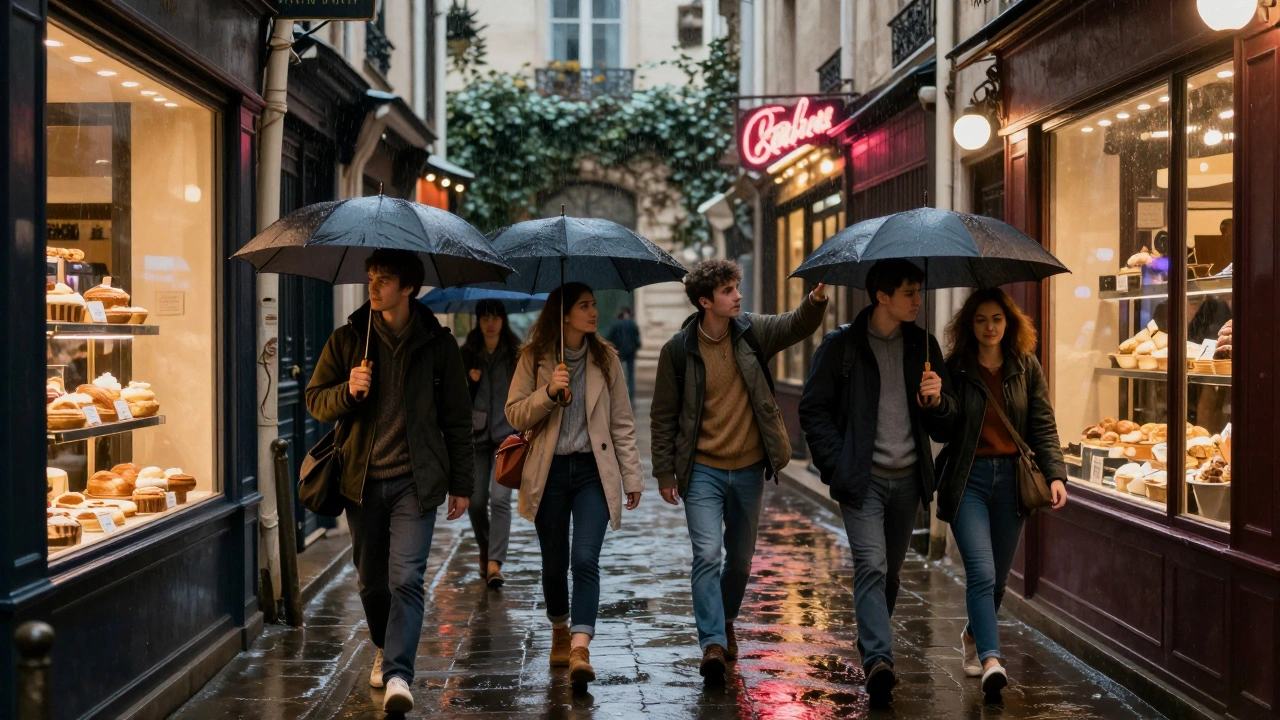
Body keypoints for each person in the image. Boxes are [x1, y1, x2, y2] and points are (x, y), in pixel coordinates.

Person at [305, 249, 473, 714]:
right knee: (372, 585)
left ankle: (399, 673)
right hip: (361, 483)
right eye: (371, 278)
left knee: (407, 579)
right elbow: (315, 400)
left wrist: (462, 483)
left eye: (384, 280)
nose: (373, 287)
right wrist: (348, 391)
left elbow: (457, 420)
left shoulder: (438, 345)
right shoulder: (348, 340)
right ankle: (384, 643)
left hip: (415, 483)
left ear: (408, 288)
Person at [650, 258, 828, 683]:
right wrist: (664, 473)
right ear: (705, 301)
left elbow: (794, 325)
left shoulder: (751, 332)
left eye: (736, 288)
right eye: (728, 291)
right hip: (702, 470)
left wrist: (816, 299)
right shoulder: (678, 351)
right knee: (707, 555)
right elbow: (663, 416)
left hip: (748, 468)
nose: (738, 296)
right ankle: (712, 642)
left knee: (742, 562)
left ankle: (725, 617)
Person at [798, 259, 956, 708]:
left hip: (908, 482)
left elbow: (947, 425)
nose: (917, 300)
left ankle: (872, 639)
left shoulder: (923, 345)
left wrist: (937, 402)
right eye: (909, 293)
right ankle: (879, 660)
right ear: (882, 296)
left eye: (918, 292)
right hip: (862, 481)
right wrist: (839, 464)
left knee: (889, 572)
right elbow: (813, 409)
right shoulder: (841, 345)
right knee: (871, 564)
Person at [504, 282, 644, 691]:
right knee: (554, 563)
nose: (594, 312)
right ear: (564, 314)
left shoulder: (606, 358)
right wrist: (549, 392)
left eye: (594, 305)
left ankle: (581, 648)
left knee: (584, 558)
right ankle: (560, 628)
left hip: (591, 473)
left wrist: (631, 476)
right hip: (547, 472)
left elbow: (622, 422)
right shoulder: (534, 357)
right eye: (584, 306)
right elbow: (515, 414)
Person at [935, 287, 1067, 702]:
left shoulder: (1025, 366)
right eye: (980, 320)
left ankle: (973, 635)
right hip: (968, 480)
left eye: (996, 319)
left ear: (1009, 322)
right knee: (982, 572)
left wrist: (1055, 475)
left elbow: (1043, 424)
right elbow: (941, 430)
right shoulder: (956, 368)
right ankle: (992, 660)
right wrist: (934, 402)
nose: (989, 327)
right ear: (969, 325)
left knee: (998, 580)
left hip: (1013, 482)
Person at [460, 298, 521, 589]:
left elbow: (525, 391)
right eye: (485, 318)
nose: (490, 323)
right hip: (476, 436)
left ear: (503, 320)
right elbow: (454, 397)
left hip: (506, 436)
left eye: (495, 317)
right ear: (478, 321)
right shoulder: (467, 353)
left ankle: (495, 562)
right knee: (475, 503)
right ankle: (486, 548)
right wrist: (470, 381)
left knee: (500, 499)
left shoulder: (516, 353)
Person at [605, 306, 641, 402]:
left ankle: (619, 397)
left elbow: (609, 338)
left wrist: (613, 348)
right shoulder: (632, 324)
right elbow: (637, 338)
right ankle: (631, 398)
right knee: (630, 375)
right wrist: (635, 347)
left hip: (619, 352)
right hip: (631, 352)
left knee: (618, 375)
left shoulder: (615, 324)